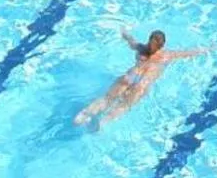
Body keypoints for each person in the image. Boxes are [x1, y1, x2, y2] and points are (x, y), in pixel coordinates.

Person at [75, 29, 207, 127]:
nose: (150, 46)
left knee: (109, 99)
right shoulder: (166, 55)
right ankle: (99, 121)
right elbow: (188, 53)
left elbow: (131, 41)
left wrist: (125, 33)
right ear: (162, 45)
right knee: (122, 105)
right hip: (141, 83)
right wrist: (207, 49)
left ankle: (88, 116)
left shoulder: (142, 48)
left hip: (133, 77)